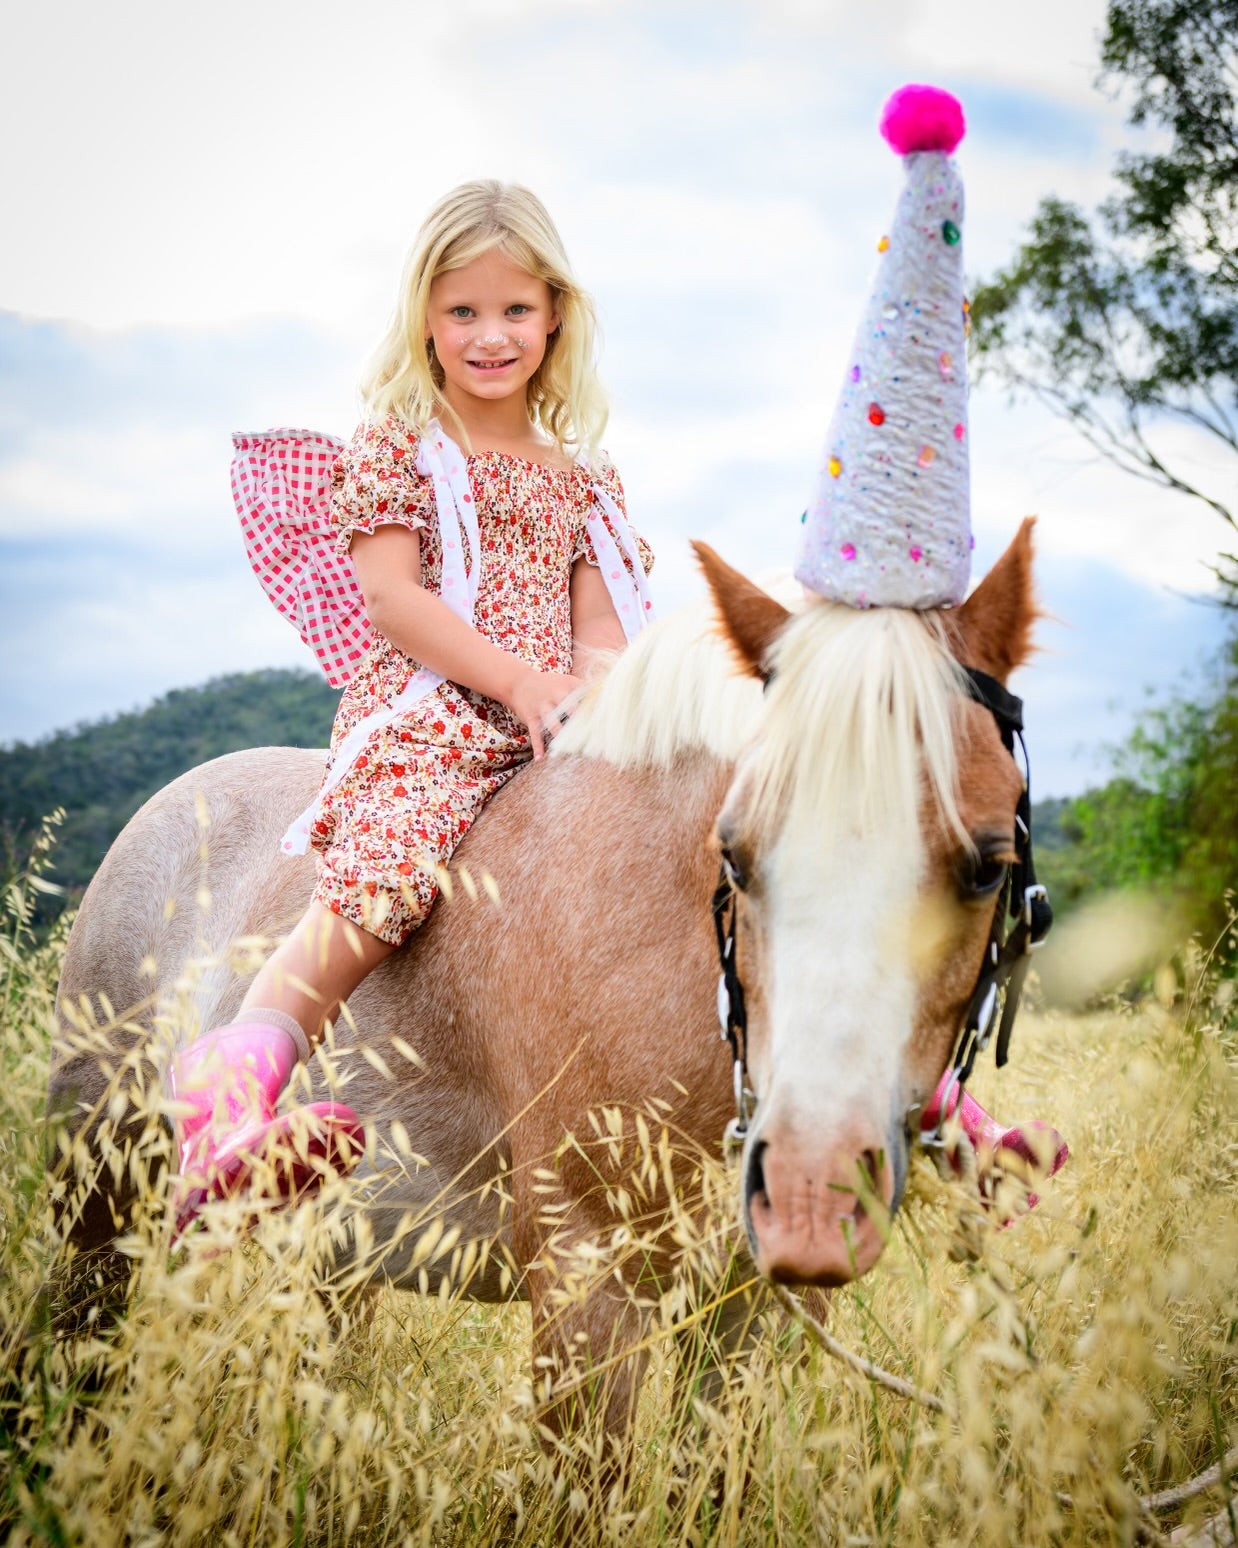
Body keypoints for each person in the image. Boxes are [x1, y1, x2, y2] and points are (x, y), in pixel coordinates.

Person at [170, 181, 653, 1231]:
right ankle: (234, 1085)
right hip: (434, 711)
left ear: (554, 315)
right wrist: (518, 682)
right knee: (393, 857)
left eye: (514, 310)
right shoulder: (400, 450)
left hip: (550, 720)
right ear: (424, 320)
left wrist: (588, 694)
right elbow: (392, 603)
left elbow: (603, 630)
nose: (490, 335)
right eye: (462, 312)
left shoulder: (586, 480)